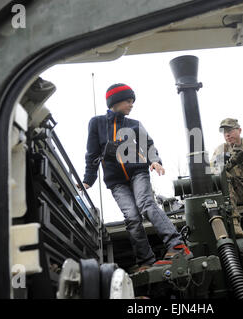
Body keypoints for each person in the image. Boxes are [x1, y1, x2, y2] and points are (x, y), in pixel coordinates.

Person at [82, 83, 192, 272]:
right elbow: (92, 154)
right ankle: (146, 260)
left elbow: (149, 146)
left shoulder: (134, 124)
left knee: (145, 203)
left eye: (132, 101)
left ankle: (177, 245)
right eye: (128, 100)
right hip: (116, 182)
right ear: (115, 101)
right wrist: (88, 180)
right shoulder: (97, 123)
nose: (132, 105)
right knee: (132, 218)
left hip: (138, 172)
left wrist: (155, 161)